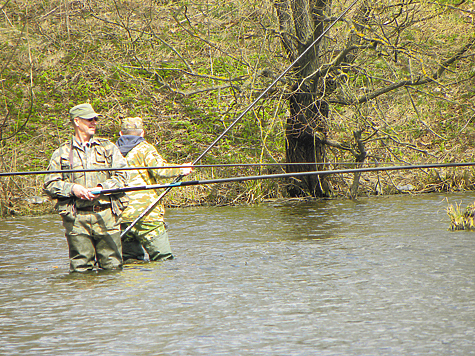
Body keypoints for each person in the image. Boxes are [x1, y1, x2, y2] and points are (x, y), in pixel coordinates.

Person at [44, 103, 129, 273]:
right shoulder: (61, 153)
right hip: (76, 219)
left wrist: (101, 188)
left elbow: (123, 177)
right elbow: (49, 184)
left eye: (95, 119)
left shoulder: (108, 148)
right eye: (89, 119)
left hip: (107, 216)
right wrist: (72, 188)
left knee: (113, 268)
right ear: (77, 121)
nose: (94, 123)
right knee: (80, 270)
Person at [116, 116, 192, 262]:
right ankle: (157, 285)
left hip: (121, 215)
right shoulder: (145, 148)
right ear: (142, 133)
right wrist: (181, 169)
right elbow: (160, 170)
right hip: (147, 214)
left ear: (121, 133)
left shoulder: (112, 151)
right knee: (164, 259)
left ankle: (131, 285)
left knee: (130, 261)